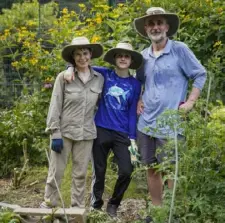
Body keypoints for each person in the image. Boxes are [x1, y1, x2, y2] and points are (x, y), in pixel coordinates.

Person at [133, 7, 207, 206]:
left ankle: (172, 211)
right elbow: (138, 83)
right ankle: (158, 210)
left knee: (171, 169)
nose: (156, 27)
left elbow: (200, 74)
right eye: (151, 24)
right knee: (151, 169)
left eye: (159, 23)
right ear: (146, 28)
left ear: (166, 26)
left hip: (171, 123)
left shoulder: (179, 50)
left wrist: (190, 101)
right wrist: (139, 98)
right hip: (146, 122)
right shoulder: (143, 56)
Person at [65, 42, 142, 217]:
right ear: (114, 58)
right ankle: (96, 204)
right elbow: (81, 63)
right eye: (119, 55)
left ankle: (113, 204)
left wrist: (132, 138)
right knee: (99, 171)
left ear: (131, 60)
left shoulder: (135, 84)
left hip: (122, 133)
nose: (123, 58)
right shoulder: (104, 74)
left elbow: (132, 113)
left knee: (126, 170)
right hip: (100, 129)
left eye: (127, 56)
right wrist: (70, 68)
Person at [40, 36, 104, 209]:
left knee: (80, 174)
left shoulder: (99, 78)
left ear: (91, 54)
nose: (82, 57)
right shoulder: (64, 77)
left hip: (86, 134)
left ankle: (77, 208)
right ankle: (49, 205)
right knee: (56, 172)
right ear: (73, 58)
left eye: (85, 53)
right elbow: (55, 104)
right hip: (64, 132)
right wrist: (55, 132)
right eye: (78, 54)